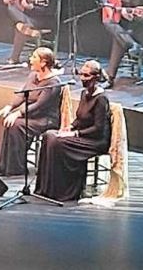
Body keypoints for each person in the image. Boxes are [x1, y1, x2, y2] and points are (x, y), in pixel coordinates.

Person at [35, 60, 111, 202]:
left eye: (86, 76)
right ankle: (47, 187)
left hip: (95, 141)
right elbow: (80, 118)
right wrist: (70, 126)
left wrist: (75, 133)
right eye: (81, 75)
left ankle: (63, 189)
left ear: (95, 77)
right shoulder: (84, 93)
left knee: (57, 142)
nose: (82, 79)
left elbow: (98, 128)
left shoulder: (101, 99)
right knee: (49, 135)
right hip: (82, 134)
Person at [0, 47, 62, 176]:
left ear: (44, 62)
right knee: (2, 119)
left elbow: (40, 105)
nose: (30, 59)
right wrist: (9, 107)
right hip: (29, 114)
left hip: (44, 118)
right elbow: (23, 94)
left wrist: (18, 113)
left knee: (15, 125)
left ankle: (14, 167)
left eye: (34, 57)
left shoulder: (53, 82)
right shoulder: (33, 75)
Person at [0, 0, 57, 64]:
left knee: (20, 27)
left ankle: (14, 58)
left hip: (42, 19)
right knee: (10, 6)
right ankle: (27, 29)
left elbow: (50, 11)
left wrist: (31, 8)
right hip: (27, 16)